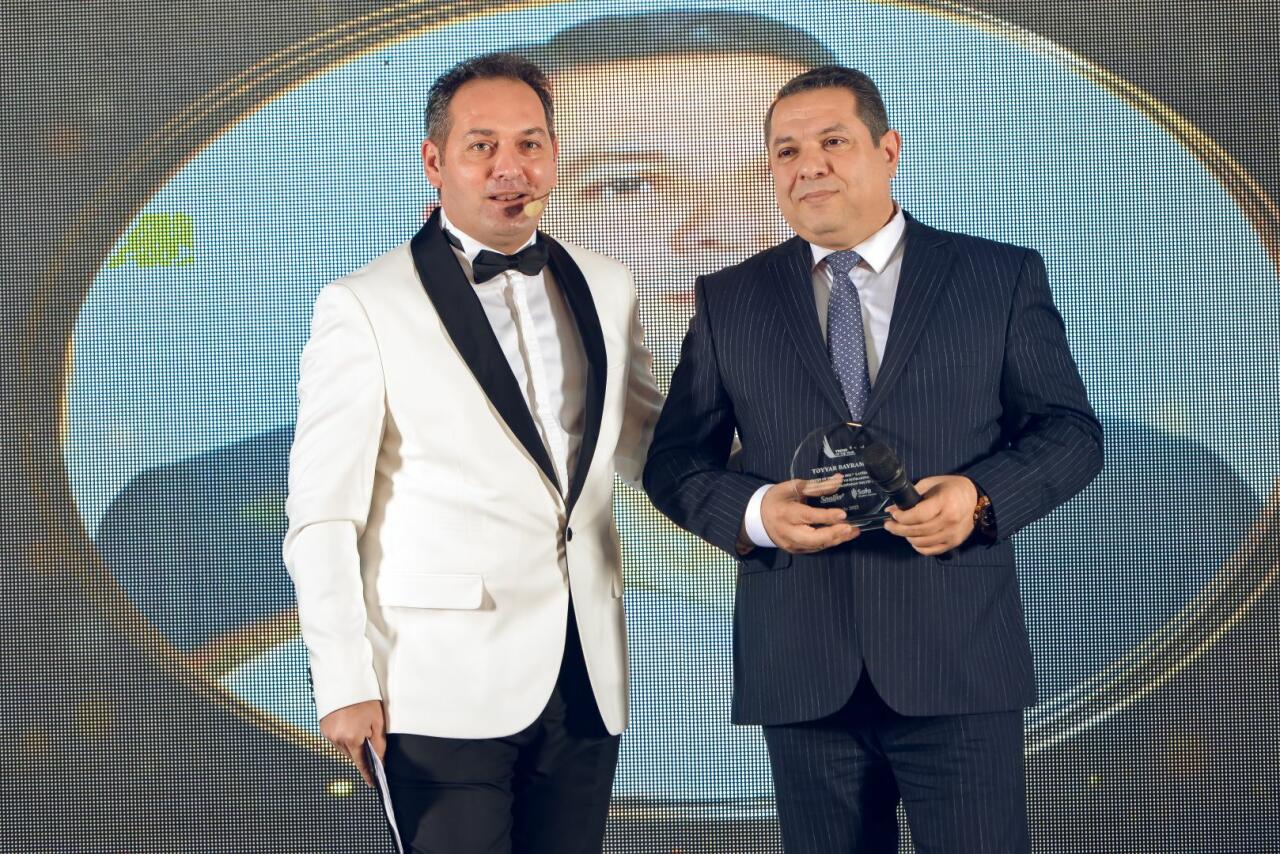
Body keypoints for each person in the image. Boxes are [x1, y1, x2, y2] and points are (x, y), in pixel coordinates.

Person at [643, 64, 1104, 852]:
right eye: (787, 151)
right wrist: (756, 514)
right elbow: (675, 463)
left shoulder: (996, 276)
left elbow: (1070, 432)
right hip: (801, 667)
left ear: (889, 150)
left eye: (833, 142)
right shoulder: (729, 299)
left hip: (957, 657)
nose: (809, 166)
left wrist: (980, 497)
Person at [282, 52, 662, 854]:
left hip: (585, 675)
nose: (508, 168)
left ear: (554, 156)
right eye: (481, 146)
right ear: (435, 161)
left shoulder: (608, 283)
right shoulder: (364, 304)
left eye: (529, 144)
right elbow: (322, 516)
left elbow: (644, 443)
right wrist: (343, 683)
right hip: (434, 686)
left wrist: (761, 497)